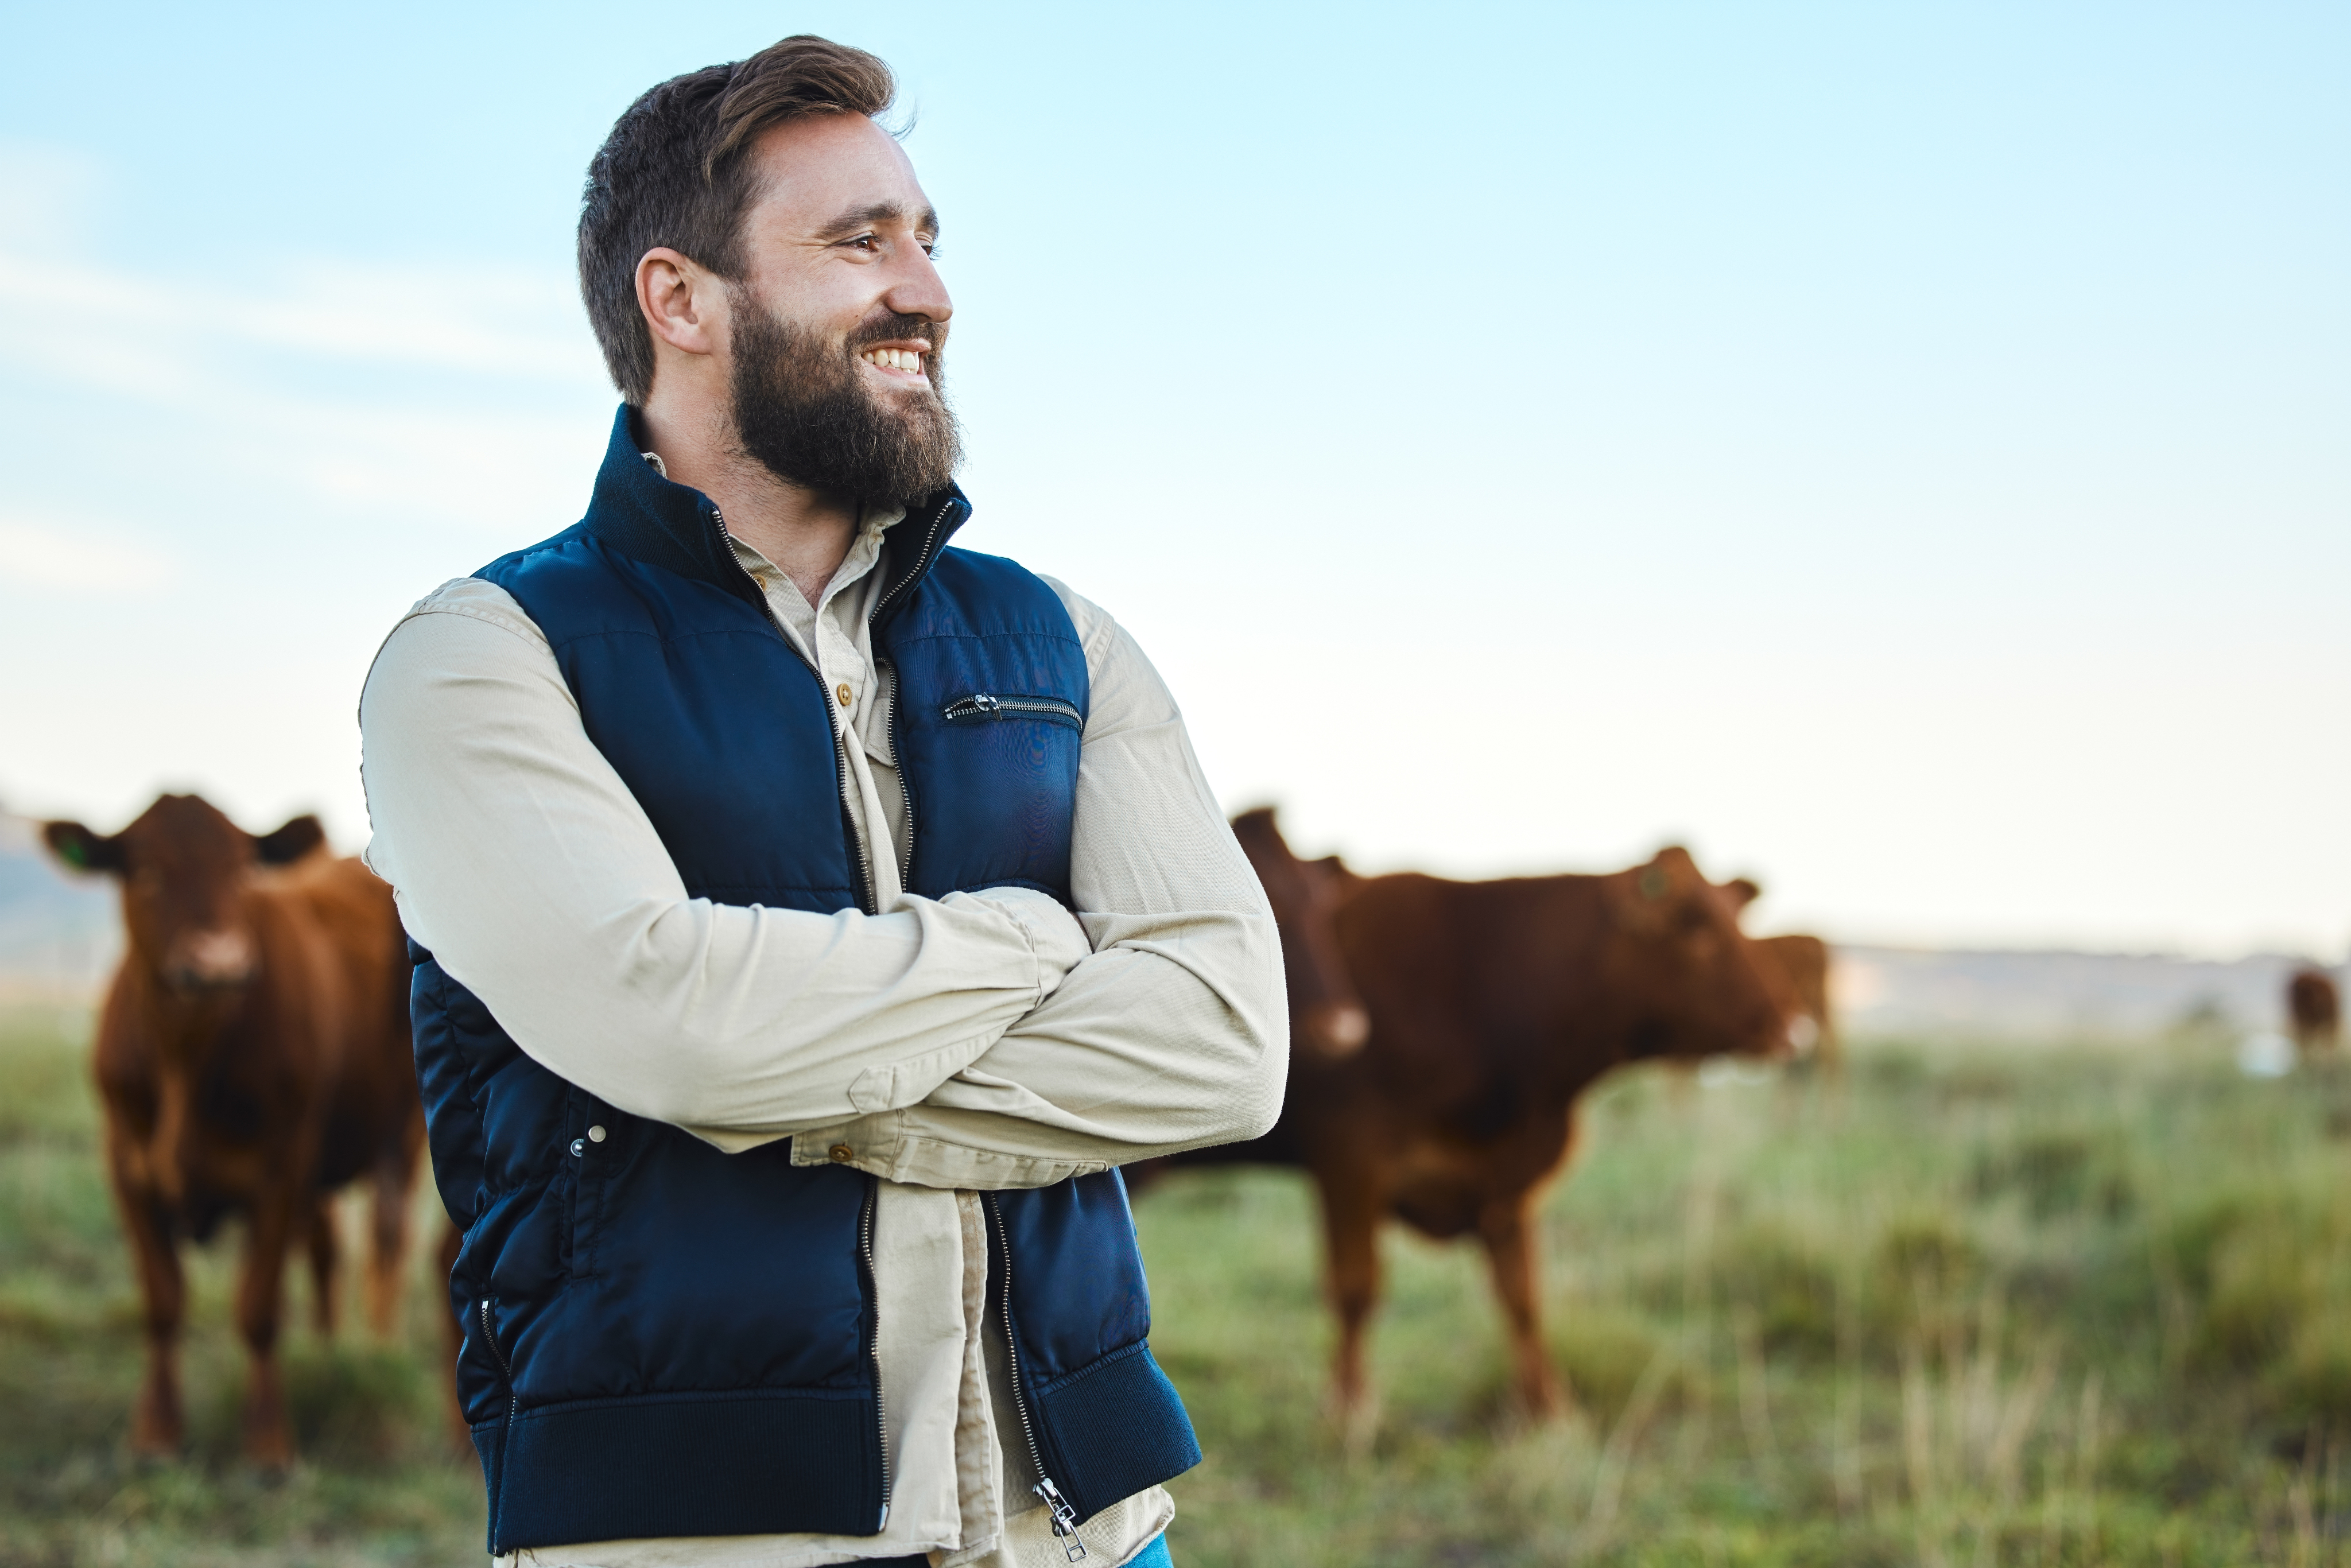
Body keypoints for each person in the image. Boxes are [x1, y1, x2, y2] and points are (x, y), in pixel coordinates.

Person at [358, 35, 1285, 1568]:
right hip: (703, 1531)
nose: (925, 287)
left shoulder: (1064, 641)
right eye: (860, 242)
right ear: (683, 300)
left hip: (1094, 1527)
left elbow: (1227, 1051)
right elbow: (673, 1025)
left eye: (925, 239)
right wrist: (1033, 940)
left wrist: (771, 1087)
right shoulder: (481, 658)